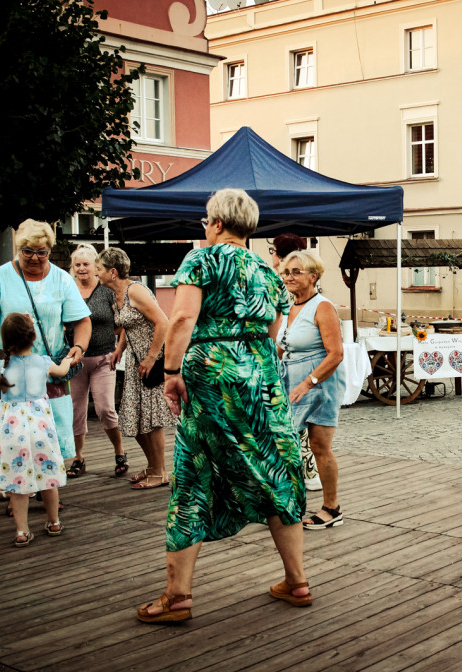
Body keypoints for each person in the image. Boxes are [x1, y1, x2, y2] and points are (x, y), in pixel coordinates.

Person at [136, 188, 309, 622]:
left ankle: (178, 596)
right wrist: (253, 364)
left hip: (211, 376)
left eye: (205, 222)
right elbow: (274, 325)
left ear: (215, 223)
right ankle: (297, 580)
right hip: (261, 378)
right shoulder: (269, 272)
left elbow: (182, 318)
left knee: (194, 472)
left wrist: (171, 372)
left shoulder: (201, 259)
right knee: (274, 468)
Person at [0, 220, 91, 465]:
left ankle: (48, 487)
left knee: (52, 434)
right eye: (28, 252)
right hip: (10, 370)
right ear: (18, 249)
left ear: (49, 251)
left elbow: (82, 321)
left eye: (42, 253)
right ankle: (15, 484)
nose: (35, 258)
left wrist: (79, 347)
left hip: (49, 371)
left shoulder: (62, 279)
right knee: (14, 434)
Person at [0, 313, 71, 546]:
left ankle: (22, 531)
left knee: (17, 483)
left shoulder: (1, 365)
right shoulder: (42, 361)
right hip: (40, 430)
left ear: (5, 341)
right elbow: (61, 372)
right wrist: (70, 359)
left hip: (12, 433)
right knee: (48, 477)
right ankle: (54, 522)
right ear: (33, 337)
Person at [278, 250, 346, 529]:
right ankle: (286, 504)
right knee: (283, 443)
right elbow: (283, 346)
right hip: (292, 382)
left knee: (319, 446)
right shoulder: (289, 306)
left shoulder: (323, 307)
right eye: (286, 272)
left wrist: (308, 382)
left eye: (296, 272)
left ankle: (332, 508)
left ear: (313, 276)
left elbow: (336, 354)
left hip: (321, 383)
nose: (289, 277)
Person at [98, 247, 174, 490]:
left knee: (151, 419)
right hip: (134, 360)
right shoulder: (118, 295)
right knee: (135, 417)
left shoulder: (136, 290)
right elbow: (127, 324)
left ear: (112, 272)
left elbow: (163, 321)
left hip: (150, 360)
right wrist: (120, 348)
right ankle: (152, 466)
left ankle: (161, 472)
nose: (97, 273)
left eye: (99, 269)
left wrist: (152, 357)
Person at [67, 245, 127, 478]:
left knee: (105, 409)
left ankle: (119, 451)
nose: (82, 268)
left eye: (86, 264)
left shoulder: (106, 291)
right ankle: (78, 458)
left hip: (103, 358)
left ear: (95, 267)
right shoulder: (68, 290)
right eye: (77, 265)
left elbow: (124, 322)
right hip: (75, 362)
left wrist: (119, 346)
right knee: (75, 412)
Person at [270, 233, 321, 492]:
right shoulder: (290, 290)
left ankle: (308, 473)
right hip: (287, 366)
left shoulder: (288, 290)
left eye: (272, 251)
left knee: (300, 425)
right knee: (295, 425)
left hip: (304, 374)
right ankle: (303, 472)